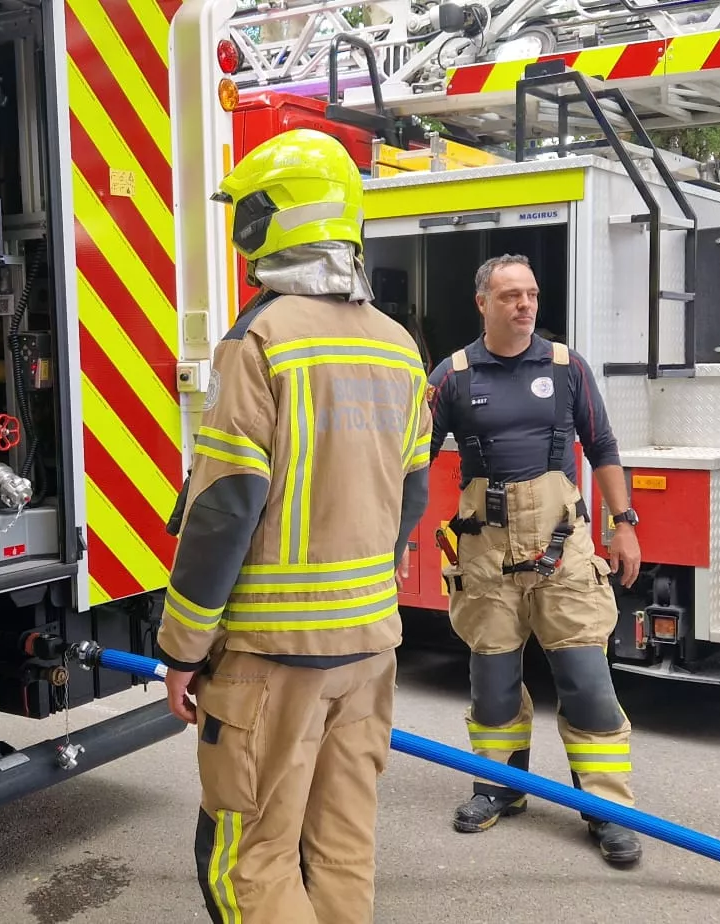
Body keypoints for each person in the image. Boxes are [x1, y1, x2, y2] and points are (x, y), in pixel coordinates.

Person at [155, 128, 434, 924]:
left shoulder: (261, 339)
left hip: (272, 656)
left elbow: (225, 508)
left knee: (250, 856)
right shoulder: (400, 347)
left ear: (274, 220)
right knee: (342, 846)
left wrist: (182, 649)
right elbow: (412, 496)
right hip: (370, 650)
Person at [425, 253, 646, 866]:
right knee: (492, 682)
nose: (524, 305)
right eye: (509, 296)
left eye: (531, 294)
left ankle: (609, 810)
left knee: (586, 680)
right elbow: (414, 461)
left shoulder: (567, 367)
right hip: (486, 553)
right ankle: (498, 788)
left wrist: (624, 524)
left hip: (563, 547)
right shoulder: (453, 376)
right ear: (483, 304)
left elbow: (602, 446)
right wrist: (390, 542)